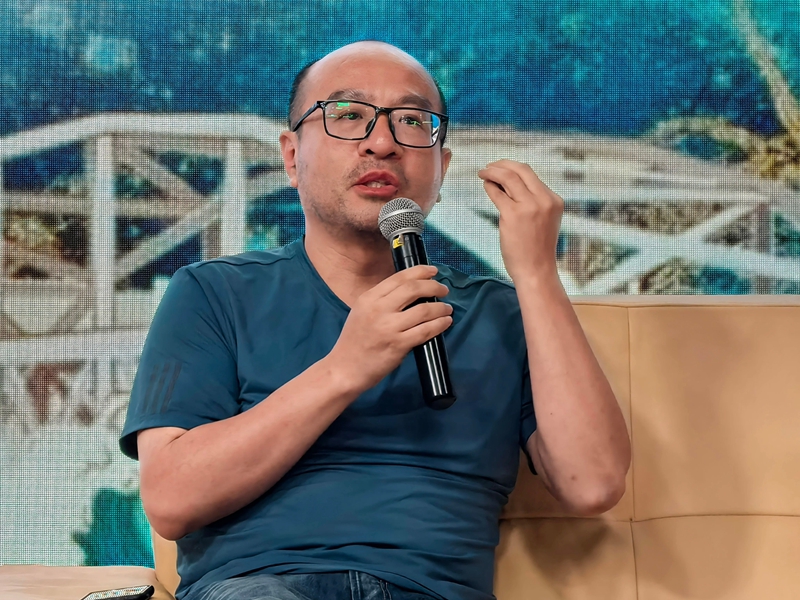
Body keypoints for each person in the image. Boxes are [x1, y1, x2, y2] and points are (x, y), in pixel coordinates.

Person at [120, 41, 631, 600]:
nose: (383, 143)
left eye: (411, 121)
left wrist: (536, 274)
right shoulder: (213, 292)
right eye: (347, 115)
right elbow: (171, 501)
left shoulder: (503, 311)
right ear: (292, 157)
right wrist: (344, 368)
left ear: (442, 168)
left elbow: (593, 484)